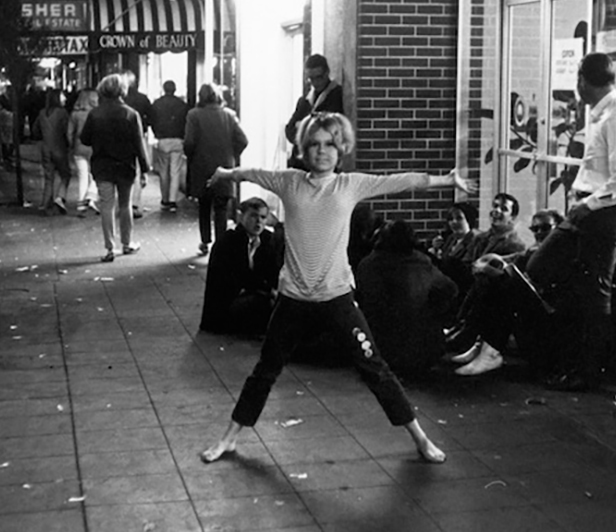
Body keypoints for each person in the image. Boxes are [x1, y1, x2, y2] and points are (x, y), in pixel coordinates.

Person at [199, 111, 476, 465]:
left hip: (338, 299)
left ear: (341, 147)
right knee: (265, 370)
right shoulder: (289, 182)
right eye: (314, 145)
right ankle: (230, 438)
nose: (321, 151)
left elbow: (398, 180)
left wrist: (443, 180)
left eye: (330, 144)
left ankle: (419, 437)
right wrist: (226, 173)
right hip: (293, 300)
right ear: (303, 149)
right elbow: (251, 173)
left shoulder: (350, 185)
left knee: (374, 367)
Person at [459, 52, 616, 390]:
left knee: (594, 295)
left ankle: (589, 373)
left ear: (585, 81)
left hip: (601, 216)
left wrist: (588, 204)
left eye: (578, 80)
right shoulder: (603, 116)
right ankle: (526, 351)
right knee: (541, 269)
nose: (577, 87)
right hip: (589, 215)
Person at [447, 208, 562, 376]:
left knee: (500, 283)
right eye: (535, 229)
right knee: (489, 278)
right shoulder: (534, 250)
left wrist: (496, 271)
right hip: (533, 312)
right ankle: (480, 341)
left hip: (548, 319)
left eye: (545, 228)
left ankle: (482, 344)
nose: (539, 233)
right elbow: (514, 258)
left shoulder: (560, 253)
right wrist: (492, 261)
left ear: (558, 227)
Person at [355, 220, 459, 379]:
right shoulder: (421, 262)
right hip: (423, 351)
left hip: (377, 351)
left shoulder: (367, 265)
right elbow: (450, 289)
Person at [80, 73, 149, 262]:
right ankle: (127, 243)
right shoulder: (131, 114)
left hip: (102, 165)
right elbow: (139, 144)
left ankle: (109, 247)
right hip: (125, 166)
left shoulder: (95, 114)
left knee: (106, 205)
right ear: (122, 90)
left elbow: (84, 139)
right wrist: (145, 169)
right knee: (125, 204)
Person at [200, 197, 282, 337]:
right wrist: (267, 290)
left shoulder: (267, 239)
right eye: (253, 216)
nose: (258, 222)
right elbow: (239, 277)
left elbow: (273, 270)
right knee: (262, 304)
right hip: (228, 301)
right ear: (240, 216)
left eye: (263, 217)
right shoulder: (228, 242)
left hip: (254, 292)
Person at [184, 83, 248, 256]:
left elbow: (189, 142)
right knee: (221, 207)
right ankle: (221, 245)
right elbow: (243, 140)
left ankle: (205, 241)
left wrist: (191, 156)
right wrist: (232, 155)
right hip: (225, 167)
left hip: (201, 166)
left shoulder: (194, 115)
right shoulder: (230, 115)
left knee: (204, 205)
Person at [285, 54, 343, 170]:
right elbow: (289, 130)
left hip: (322, 166)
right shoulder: (305, 100)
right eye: (311, 79)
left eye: (319, 77)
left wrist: (302, 127)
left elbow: (331, 131)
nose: (315, 82)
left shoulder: (337, 97)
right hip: (300, 165)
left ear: (327, 73)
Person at [148, 80, 190, 212]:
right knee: (175, 171)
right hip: (177, 140)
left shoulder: (157, 104)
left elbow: (152, 120)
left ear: (164, 89)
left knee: (163, 171)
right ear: (175, 89)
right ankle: (172, 200)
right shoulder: (182, 105)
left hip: (163, 140)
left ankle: (165, 199)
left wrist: (157, 133)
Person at [31, 89, 72, 215]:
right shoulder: (62, 113)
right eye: (62, 96)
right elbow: (67, 131)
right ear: (57, 99)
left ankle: (45, 204)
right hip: (59, 147)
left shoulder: (42, 113)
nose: (65, 99)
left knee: (49, 178)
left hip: (45, 148)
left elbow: (35, 130)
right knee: (66, 174)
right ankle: (60, 197)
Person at [428, 201, 479, 292]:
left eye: (459, 218)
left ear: (469, 220)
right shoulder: (450, 239)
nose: (453, 222)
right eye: (451, 219)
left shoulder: (475, 240)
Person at [122, 70, 153, 219]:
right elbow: (151, 116)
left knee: (124, 169)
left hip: (122, 139)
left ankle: (125, 202)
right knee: (138, 170)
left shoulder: (120, 99)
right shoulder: (143, 99)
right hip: (140, 135)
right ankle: (134, 203)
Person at [67, 88, 100, 216]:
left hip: (79, 147)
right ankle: (91, 196)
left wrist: (71, 145)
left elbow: (69, 133)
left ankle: (81, 204)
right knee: (97, 174)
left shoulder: (75, 114)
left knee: (82, 176)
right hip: (94, 147)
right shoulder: (97, 113)